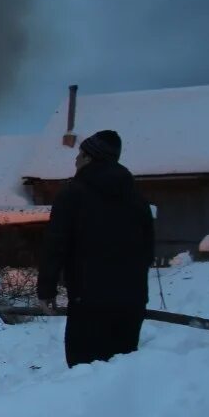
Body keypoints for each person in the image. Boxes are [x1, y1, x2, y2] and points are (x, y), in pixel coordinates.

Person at [37, 129, 155, 367]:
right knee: (121, 373)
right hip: (131, 302)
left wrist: (46, 290)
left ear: (90, 158)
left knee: (85, 373)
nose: (76, 158)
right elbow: (148, 249)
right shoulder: (136, 197)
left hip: (89, 302)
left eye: (80, 153)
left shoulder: (72, 194)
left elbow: (56, 243)